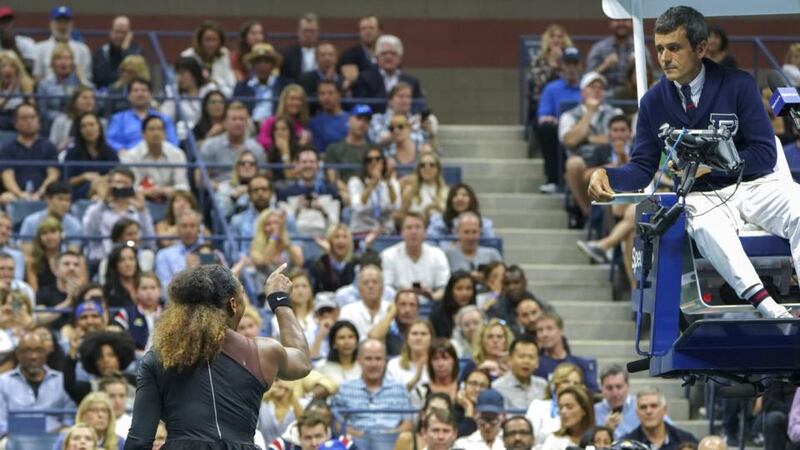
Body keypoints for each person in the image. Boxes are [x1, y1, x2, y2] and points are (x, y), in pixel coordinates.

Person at [588, 5, 800, 320]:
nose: (664, 58)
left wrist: (717, 166)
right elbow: (643, 168)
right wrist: (605, 174)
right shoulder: (653, 101)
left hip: (755, 184)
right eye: (659, 49)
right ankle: (771, 310)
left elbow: (765, 153)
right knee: (704, 222)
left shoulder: (738, 84)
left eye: (674, 48)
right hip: (704, 196)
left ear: (700, 48)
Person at [125, 263, 312, 448]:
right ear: (233, 304)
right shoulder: (262, 351)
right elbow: (302, 361)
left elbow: (139, 441)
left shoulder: (158, 357)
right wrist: (280, 300)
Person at [330, 338, 413, 450]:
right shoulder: (344, 389)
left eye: (378, 359)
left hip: (392, 443)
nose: (373, 364)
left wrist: (383, 438)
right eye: (368, 359)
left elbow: (408, 424)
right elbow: (337, 424)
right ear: (359, 360)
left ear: (385, 361)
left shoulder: (399, 388)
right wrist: (362, 437)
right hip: (356, 444)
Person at [561, 71, 623, 218]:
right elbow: (569, 141)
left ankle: (598, 218)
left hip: (609, 160)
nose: (597, 90)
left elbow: (620, 137)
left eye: (600, 87)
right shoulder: (569, 115)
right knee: (573, 164)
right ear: (583, 92)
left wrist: (587, 138)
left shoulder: (614, 113)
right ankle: (588, 213)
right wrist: (589, 113)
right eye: (592, 87)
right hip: (582, 164)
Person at [0, 331, 75, 435]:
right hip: (14, 439)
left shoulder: (62, 381)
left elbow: (69, 418)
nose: (33, 356)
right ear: (17, 354)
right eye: (27, 351)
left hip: (55, 440)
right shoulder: (3, 382)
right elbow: (1, 422)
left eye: (39, 351)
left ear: (45, 354)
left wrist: (61, 432)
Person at [82, 167, 155, 263]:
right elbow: (90, 235)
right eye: (117, 182)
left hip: (133, 260)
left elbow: (149, 243)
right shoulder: (96, 209)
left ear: (132, 187)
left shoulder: (139, 212)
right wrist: (104, 202)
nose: (121, 187)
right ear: (110, 185)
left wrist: (142, 211)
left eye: (125, 183)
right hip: (102, 259)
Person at [536, 46, 583, 194]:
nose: (571, 68)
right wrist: (550, 119)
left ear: (579, 66)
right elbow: (543, 115)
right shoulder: (551, 89)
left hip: (584, 131)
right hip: (560, 133)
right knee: (545, 129)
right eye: (567, 64)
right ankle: (553, 180)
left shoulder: (586, 88)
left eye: (574, 64)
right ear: (562, 66)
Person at [381, 212, 451, 301]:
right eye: (409, 228)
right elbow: (386, 290)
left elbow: (444, 289)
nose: (413, 232)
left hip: (431, 306)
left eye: (418, 227)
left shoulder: (438, 254)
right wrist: (405, 292)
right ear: (401, 232)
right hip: (398, 307)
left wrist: (431, 296)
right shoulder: (388, 255)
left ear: (425, 232)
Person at [120, 115, 190, 201]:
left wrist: (168, 191)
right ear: (143, 134)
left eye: (159, 129)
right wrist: (146, 192)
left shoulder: (177, 154)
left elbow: (183, 186)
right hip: (141, 199)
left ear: (165, 133)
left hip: (171, 200)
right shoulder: (131, 156)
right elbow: (130, 187)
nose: (156, 133)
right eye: (151, 129)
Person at [276, 148, 341, 237]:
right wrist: (297, 209)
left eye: (311, 162)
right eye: (304, 162)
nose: (308, 165)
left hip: (324, 238)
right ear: (297, 165)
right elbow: (285, 226)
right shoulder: (285, 193)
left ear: (318, 165)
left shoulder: (330, 192)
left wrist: (322, 211)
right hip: (296, 240)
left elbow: (335, 224)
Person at [0, 103, 59, 200]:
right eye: (24, 118)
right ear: (15, 122)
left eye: (32, 117)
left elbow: (53, 175)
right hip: (15, 195)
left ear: (38, 120)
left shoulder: (49, 147)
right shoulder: (7, 148)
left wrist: (40, 193)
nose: (29, 122)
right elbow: (7, 176)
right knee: (5, 198)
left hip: (44, 194)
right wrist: (20, 194)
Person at [352, 35, 424, 113]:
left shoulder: (412, 81)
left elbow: (418, 105)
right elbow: (361, 106)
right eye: (384, 53)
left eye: (393, 54)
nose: (388, 57)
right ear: (377, 57)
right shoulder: (365, 78)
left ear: (400, 58)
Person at [199, 101, 266, 184]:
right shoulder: (210, 145)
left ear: (247, 123)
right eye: (234, 119)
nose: (238, 123)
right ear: (225, 122)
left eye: (242, 119)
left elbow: (263, 178)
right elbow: (200, 179)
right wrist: (216, 187)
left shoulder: (256, 148)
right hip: (217, 192)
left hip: (248, 191)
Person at [106, 78, 179, 152]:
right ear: (128, 96)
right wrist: (121, 150)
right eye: (135, 90)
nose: (140, 94)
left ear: (151, 95)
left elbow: (173, 141)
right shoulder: (118, 119)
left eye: (144, 90)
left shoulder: (164, 118)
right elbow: (110, 141)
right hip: (128, 158)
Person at [525, 362, 585, 449]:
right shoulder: (538, 406)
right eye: (566, 381)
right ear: (556, 384)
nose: (571, 386)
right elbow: (529, 438)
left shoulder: (582, 411)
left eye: (576, 383)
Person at [535, 311, 598, 392]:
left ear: (561, 331)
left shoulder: (581, 364)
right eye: (540, 330)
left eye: (549, 328)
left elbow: (592, 393)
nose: (544, 334)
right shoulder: (535, 365)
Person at [586, 19, 656, 90]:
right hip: (606, 94)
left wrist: (639, 64)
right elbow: (587, 78)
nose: (621, 24)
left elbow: (652, 76)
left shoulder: (640, 48)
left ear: (631, 23)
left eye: (625, 20)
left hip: (633, 93)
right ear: (610, 23)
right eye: (617, 20)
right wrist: (605, 65)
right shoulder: (599, 48)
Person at [64, 112, 119, 200]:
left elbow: (118, 174)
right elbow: (66, 182)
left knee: (97, 195)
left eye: (92, 125)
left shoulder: (110, 152)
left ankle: (102, 201)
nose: (88, 129)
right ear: (79, 131)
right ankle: (107, 204)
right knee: (98, 184)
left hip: (105, 189)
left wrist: (102, 178)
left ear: (99, 127)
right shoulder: (72, 153)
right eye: (83, 126)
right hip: (79, 194)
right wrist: (84, 177)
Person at [348, 147, 401, 235]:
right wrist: (372, 184)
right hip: (362, 231)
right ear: (365, 164)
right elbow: (357, 206)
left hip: (386, 232)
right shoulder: (355, 182)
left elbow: (395, 205)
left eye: (378, 159)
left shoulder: (391, 182)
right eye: (369, 160)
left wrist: (388, 182)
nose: (374, 162)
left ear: (383, 163)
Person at [622, 388, 697, 450]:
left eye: (654, 406)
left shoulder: (686, 440)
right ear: (637, 413)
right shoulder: (626, 444)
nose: (648, 411)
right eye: (643, 407)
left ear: (664, 410)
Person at [232, 43, 290, 123]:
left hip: (276, 128)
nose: (262, 66)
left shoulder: (285, 85)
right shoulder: (241, 87)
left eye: (266, 62)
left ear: (273, 65)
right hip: (247, 126)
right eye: (258, 62)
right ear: (252, 65)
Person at [33, 6, 91, 82]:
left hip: (76, 92)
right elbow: (37, 77)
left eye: (66, 22)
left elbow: (86, 78)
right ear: (51, 24)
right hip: (47, 92)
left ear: (71, 24)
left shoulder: (83, 50)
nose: (62, 26)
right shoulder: (39, 48)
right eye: (59, 21)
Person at [19, 180, 82, 251]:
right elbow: (26, 251)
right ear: (48, 199)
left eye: (67, 200)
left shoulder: (75, 225)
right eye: (60, 199)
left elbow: (74, 252)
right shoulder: (30, 222)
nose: (64, 204)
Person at [528, 24, 574, 119]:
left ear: (564, 41)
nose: (556, 39)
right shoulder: (538, 60)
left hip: (565, 97)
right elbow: (538, 83)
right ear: (547, 40)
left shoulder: (570, 60)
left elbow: (573, 79)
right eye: (552, 36)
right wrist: (552, 66)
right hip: (542, 98)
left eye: (560, 37)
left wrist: (561, 62)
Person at [161, 57, 218, 130]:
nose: (179, 78)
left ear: (194, 73)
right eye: (177, 73)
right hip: (185, 134)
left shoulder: (210, 89)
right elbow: (165, 116)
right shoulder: (173, 91)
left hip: (209, 131)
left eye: (182, 73)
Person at [180, 20, 236, 96]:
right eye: (207, 40)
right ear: (200, 41)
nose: (211, 44)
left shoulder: (224, 54)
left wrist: (214, 81)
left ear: (220, 41)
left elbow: (230, 82)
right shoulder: (187, 55)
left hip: (220, 98)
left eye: (214, 40)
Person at [338, 264, 392, 340]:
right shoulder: (347, 312)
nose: (370, 286)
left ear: (382, 288)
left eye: (375, 282)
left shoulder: (391, 308)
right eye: (365, 283)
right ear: (359, 289)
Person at [493, 335, 548, 410]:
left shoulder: (543, 386)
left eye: (531, 357)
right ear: (510, 359)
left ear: (537, 362)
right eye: (521, 356)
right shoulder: (497, 387)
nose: (526, 361)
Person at [325, 104, 374, 185]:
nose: (362, 123)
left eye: (366, 120)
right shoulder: (334, 148)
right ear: (349, 120)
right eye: (359, 118)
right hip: (342, 194)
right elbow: (333, 178)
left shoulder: (374, 148)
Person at [154, 210, 204, 287]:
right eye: (184, 226)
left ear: (199, 229)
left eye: (192, 225)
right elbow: (164, 286)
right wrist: (189, 270)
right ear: (178, 229)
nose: (188, 230)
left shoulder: (212, 253)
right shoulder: (164, 254)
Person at [427, 183, 495, 239]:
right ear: (450, 201)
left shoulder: (484, 224)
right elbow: (431, 244)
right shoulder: (438, 222)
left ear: (472, 200)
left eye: (464, 195)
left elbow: (491, 244)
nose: (459, 198)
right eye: (455, 195)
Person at [257, 84, 311, 151]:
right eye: (292, 99)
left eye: (299, 99)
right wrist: (281, 146)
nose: (295, 102)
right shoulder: (271, 121)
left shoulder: (304, 124)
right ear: (284, 101)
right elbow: (262, 140)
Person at [231, 175, 275, 256]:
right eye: (255, 190)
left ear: (271, 193)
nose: (260, 193)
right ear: (249, 195)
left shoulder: (285, 218)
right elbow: (232, 251)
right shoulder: (237, 221)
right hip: (247, 265)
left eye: (264, 189)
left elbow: (296, 244)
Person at [93, 16, 141, 90]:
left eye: (123, 32)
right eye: (116, 31)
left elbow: (136, 76)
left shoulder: (137, 51)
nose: (119, 35)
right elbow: (101, 77)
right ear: (111, 33)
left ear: (130, 34)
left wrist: (125, 50)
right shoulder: (102, 51)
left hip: (130, 92)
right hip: (105, 92)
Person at [541, 386, 595, 450]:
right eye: (560, 408)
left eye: (569, 407)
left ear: (584, 410)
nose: (563, 412)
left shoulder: (599, 439)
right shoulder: (554, 440)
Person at [308, 224, 358, 293]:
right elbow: (328, 286)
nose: (341, 241)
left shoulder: (355, 263)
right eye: (337, 237)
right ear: (329, 241)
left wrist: (367, 246)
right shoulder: (319, 263)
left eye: (344, 237)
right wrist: (328, 254)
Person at [385, 318, 432, 391]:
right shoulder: (394, 365)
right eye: (414, 333)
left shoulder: (437, 364)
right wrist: (416, 378)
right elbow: (392, 396)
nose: (418, 338)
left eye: (423, 334)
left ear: (431, 338)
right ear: (407, 338)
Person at [400, 151, 448, 221]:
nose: (427, 168)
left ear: (438, 169)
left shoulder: (446, 191)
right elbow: (401, 216)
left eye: (431, 165)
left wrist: (439, 209)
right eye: (422, 165)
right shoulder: (410, 190)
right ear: (419, 169)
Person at [594, 365, 639, 440]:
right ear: (601, 388)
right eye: (609, 388)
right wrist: (605, 430)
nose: (615, 393)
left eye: (619, 387)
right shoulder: (593, 411)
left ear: (628, 386)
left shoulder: (643, 406)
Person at [48, 86, 98, 152]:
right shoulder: (60, 121)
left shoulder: (100, 123)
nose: (89, 101)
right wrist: (62, 146)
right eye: (85, 98)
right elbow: (51, 147)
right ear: (75, 102)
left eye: (92, 98)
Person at [430, 271, 477, 339]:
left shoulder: (478, 313)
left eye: (468, 288)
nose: (464, 293)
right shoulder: (437, 315)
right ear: (450, 291)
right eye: (459, 289)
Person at [298, 42, 342, 112]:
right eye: (323, 55)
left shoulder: (343, 79)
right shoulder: (306, 78)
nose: (327, 58)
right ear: (316, 58)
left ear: (336, 58)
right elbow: (306, 103)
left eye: (331, 55)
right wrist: (326, 81)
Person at [308, 79, 348, 151]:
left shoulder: (351, 120)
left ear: (339, 95)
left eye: (330, 93)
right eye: (322, 93)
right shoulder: (314, 123)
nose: (326, 97)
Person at [317, 320, 361, 385]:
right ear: (334, 343)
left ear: (357, 341)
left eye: (351, 337)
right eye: (341, 338)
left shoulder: (363, 368)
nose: (347, 342)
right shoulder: (323, 368)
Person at [339, 15, 381, 82]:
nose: (367, 32)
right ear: (359, 32)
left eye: (371, 28)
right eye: (363, 29)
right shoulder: (349, 54)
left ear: (379, 31)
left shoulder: (386, 53)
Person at [280, 13, 320, 82]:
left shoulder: (324, 53)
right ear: (298, 32)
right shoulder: (287, 54)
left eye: (312, 31)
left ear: (318, 32)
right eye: (305, 31)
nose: (308, 35)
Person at [103, 243, 140, 308]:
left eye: (131, 259)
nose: (128, 264)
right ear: (115, 264)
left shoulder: (144, 284)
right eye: (122, 260)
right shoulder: (108, 290)